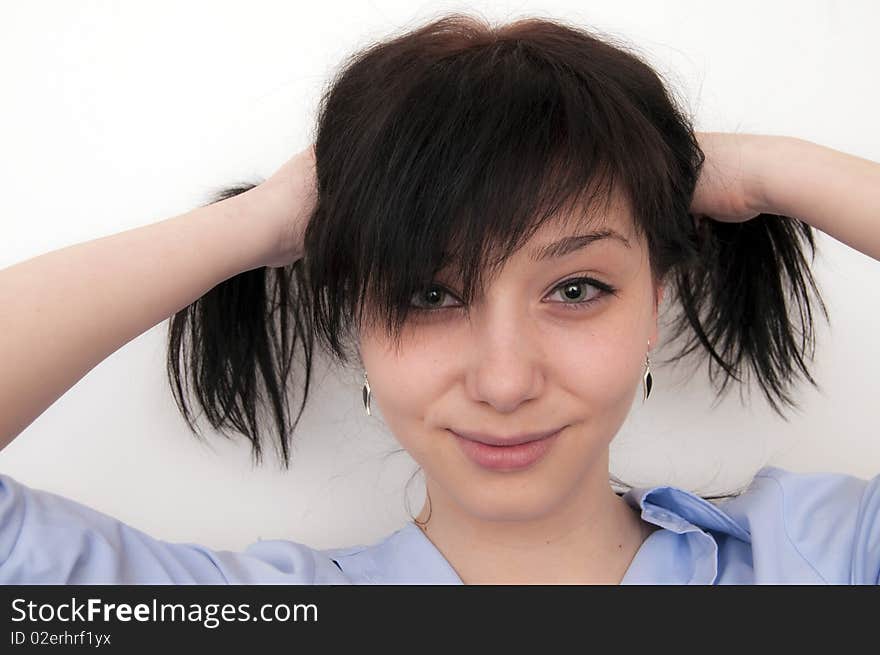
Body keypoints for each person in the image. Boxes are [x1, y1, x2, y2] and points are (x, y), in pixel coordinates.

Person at [1, 13, 878, 585]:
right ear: (357, 315)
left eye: (577, 287)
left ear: (656, 298)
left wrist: (764, 169)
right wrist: (263, 222)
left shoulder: (821, 560)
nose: (504, 381)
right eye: (427, 292)